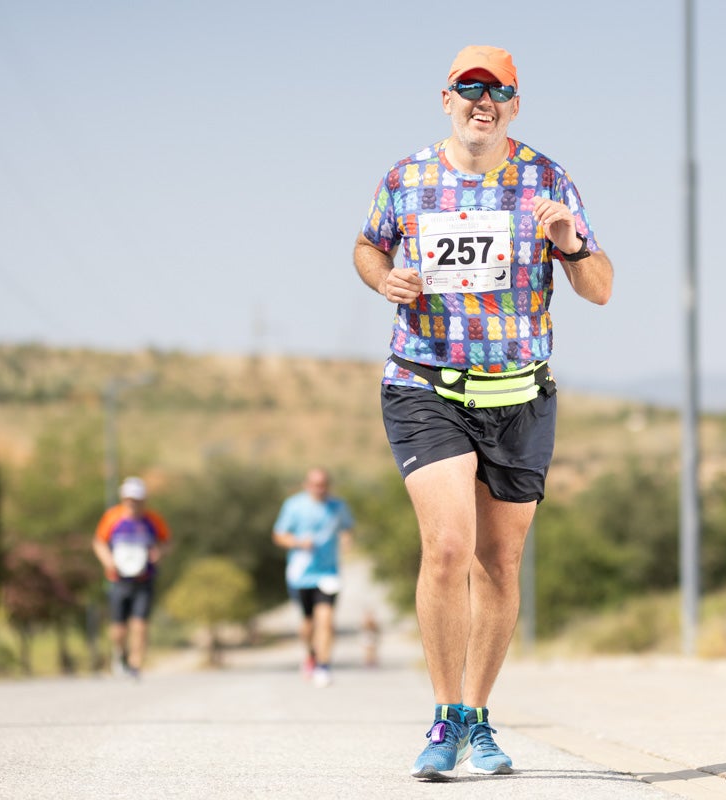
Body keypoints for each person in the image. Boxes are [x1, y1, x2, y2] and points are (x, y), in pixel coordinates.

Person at [352, 45, 612, 780]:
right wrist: (384, 279)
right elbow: (367, 247)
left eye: (498, 92)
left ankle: (477, 715)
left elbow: (600, 288)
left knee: (498, 564)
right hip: (425, 384)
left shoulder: (547, 179)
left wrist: (571, 244)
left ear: (515, 106)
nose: (483, 102)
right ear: (447, 99)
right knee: (447, 547)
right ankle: (444, 716)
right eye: (470, 88)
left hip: (519, 395)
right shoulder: (406, 179)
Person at [272, 467, 354, 688]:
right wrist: (298, 543)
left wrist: (346, 540)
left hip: (328, 573)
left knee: (326, 620)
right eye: (315, 484)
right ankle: (310, 654)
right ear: (307, 485)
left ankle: (323, 666)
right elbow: (279, 535)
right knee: (307, 623)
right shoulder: (294, 506)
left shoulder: (338, 506)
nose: (320, 488)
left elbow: (347, 528)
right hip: (300, 574)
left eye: (323, 484)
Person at [92, 476, 171, 679]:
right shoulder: (112, 518)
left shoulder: (153, 520)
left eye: (136, 499)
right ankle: (122, 654)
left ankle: (136, 663)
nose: (133, 503)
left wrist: (158, 553)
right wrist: (108, 561)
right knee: (118, 629)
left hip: (144, 579)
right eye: (129, 499)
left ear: (143, 500)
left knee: (140, 624)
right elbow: (99, 542)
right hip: (118, 579)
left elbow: (166, 542)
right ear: (123, 498)